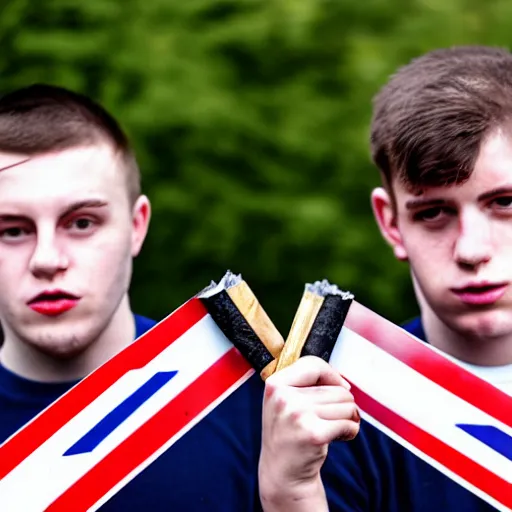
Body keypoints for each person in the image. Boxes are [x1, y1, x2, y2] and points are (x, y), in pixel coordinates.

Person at [258, 45, 512, 511]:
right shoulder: (333, 417)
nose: (472, 250)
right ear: (391, 222)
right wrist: (290, 496)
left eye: (505, 203)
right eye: (433, 212)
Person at [0, 84, 264, 511]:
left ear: (137, 226)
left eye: (82, 223)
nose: (46, 259)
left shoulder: (249, 401)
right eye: (12, 230)